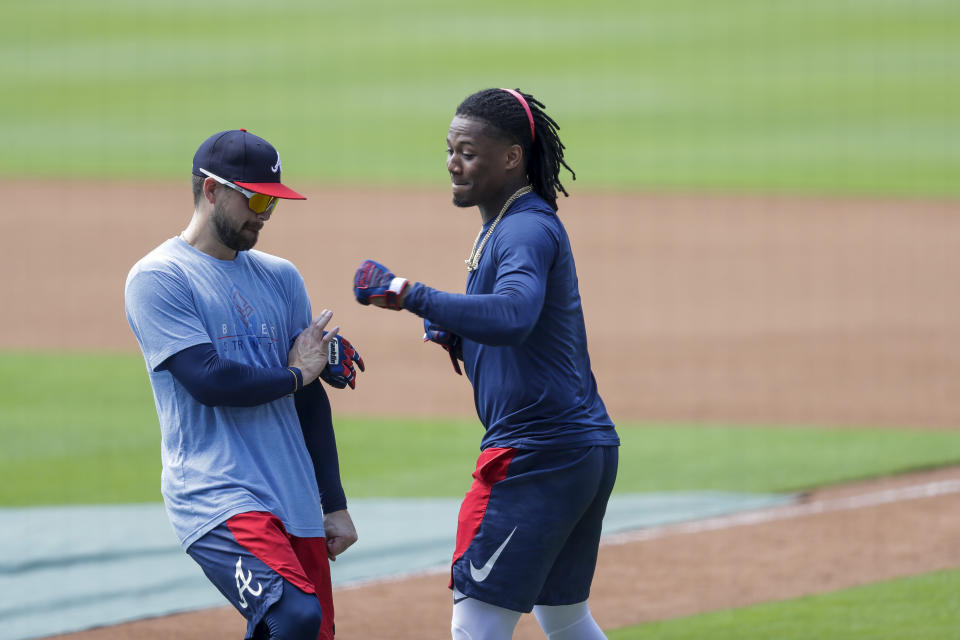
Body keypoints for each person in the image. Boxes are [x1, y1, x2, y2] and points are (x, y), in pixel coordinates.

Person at [353, 88, 620, 640]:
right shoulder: (510, 224)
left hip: (536, 455)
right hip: (579, 449)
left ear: (511, 157)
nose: (453, 163)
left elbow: (515, 315)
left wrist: (411, 293)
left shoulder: (523, 227)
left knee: (475, 618)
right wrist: (456, 332)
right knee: (566, 619)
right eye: (450, 149)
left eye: (468, 152)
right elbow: (517, 330)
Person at [125, 129, 363, 640]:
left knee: (306, 629)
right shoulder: (161, 277)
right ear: (212, 191)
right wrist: (298, 371)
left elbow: (310, 400)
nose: (264, 215)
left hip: (293, 496)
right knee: (294, 616)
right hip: (217, 495)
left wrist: (333, 502)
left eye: (273, 203)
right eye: (255, 199)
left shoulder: (281, 277)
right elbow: (208, 380)